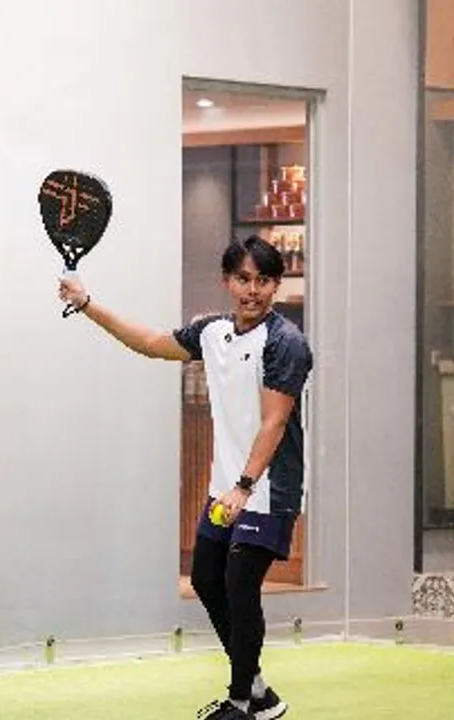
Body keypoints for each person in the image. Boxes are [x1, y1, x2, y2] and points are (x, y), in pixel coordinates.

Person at [59, 235, 313, 720]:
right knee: (206, 579)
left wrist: (244, 486)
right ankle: (259, 691)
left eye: (263, 280)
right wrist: (87, 304)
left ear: (276, 285)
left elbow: (274, 422)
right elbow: (151, 343)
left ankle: (241, 703)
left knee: (240, 586)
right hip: (225, 489)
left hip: (267, 490)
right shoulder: (212, 332)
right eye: (243, 279)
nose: (252, 290)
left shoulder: (286, 343)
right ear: (227, 282)